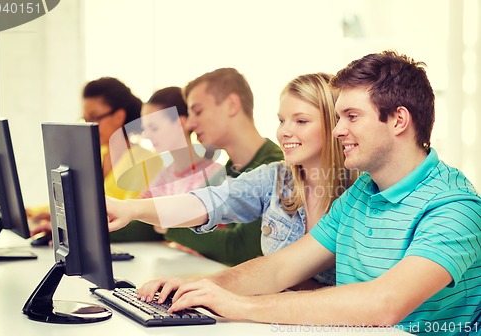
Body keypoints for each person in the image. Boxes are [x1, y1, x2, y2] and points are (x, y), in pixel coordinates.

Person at [112, 51, 481, 334]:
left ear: (399, 120)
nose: (338, 131)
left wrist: (242, 306)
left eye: (351, 117)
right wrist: (200, 287)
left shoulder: (453, 207)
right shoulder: (362, 195)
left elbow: (385, 303)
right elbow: (280, 268)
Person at [106, 72, 356, 288]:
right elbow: (209, 202)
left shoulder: (360, 191)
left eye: (301, 121)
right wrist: (129, 208)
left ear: (334, 124)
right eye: (281, 120)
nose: (284, 131)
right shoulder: (275, 177)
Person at [141, 68, 284, 266]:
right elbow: (184, 217)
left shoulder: (275, 168)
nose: (190, 123)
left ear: (231, 105)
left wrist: (170, 226)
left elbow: (241, 249)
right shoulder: (228, 170)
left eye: (197, 111)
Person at [30, 77, 163, 242]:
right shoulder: (96, 155)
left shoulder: (145, 160)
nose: (88, 125)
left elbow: (132, 218)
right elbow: (76, 201)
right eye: (85, 119)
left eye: (94, 118)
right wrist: (32, 212)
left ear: (118, 116)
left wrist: (72, 230)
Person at [139, 86, 223, 200]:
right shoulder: (164, 175)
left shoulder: (214, 176)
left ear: (181, 124)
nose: (147, 135)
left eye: (154, 128)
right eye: (145, 129)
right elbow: (137, 210)